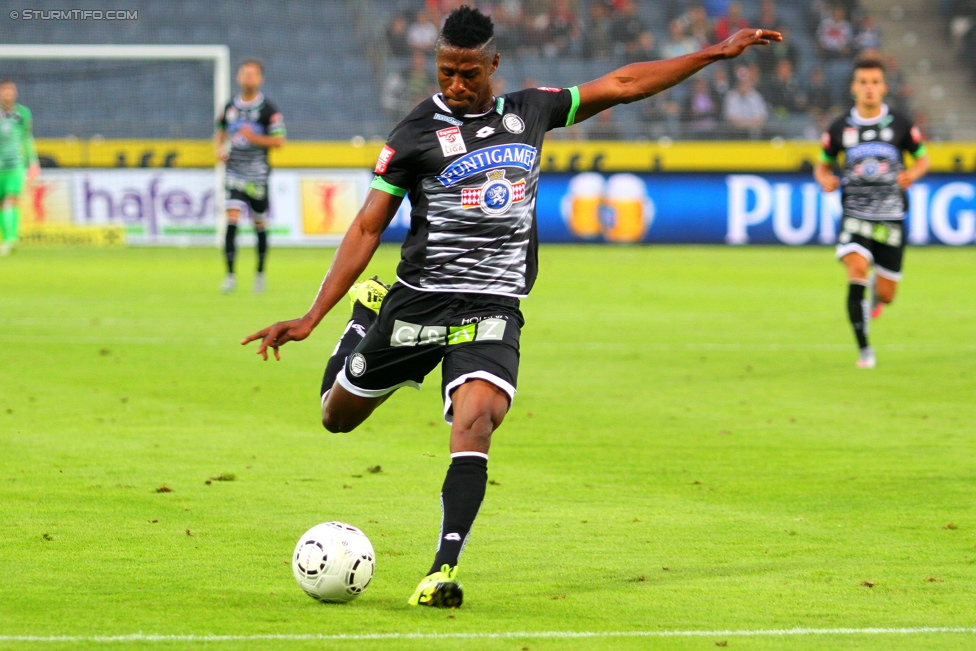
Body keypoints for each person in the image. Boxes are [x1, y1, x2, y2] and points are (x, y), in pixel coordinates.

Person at [243, 5, 780, 608]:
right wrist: (314, 316)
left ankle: (441, 570)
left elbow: (624, 85)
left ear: (493, 64)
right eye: (446, 71)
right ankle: (363, 320)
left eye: (468, 72)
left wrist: (714, 53)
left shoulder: (533, 110)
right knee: (335, 417)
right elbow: (368, 228)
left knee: (477, 419)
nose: (456, 84)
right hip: (419, 302)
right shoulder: (414, 135)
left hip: (494, 305)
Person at [814, 58, 929, 369]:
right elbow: (822, 163)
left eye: (874, 82)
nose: (869, 88)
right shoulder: (840, 128)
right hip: (855, 215)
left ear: (884, 87)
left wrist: (912, 175)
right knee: (856, 270)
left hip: (891, 218)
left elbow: (922, 159)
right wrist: (824, 179)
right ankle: (865, 351)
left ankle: (879, 296)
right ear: (853, 87)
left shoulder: (901, 124)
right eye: (863, 82)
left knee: (887, 294)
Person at [215, 59, 286, 293]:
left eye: (253, 74)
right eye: (245, 73)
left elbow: (279, 141)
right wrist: (219, 148)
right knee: (232, 219)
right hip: (234, 171)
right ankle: (230, 275)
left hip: (258, 174)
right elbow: (220, 130)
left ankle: (259, 274)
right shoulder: (230, 107)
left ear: (260, 79)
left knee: (259, 223)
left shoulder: (269, 109)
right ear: (238, 77)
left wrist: (254, 138)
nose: (248, 78)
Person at [0, 80, 40, 256]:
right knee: (3, 203)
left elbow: (27, 137)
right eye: (4, 91)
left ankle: (11, 240)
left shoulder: (23, 113)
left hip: (16, 165)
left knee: (11, 199)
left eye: (10, 91)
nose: (8, 94)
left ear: (15, 93)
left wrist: (33, 161)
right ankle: (9, 237)